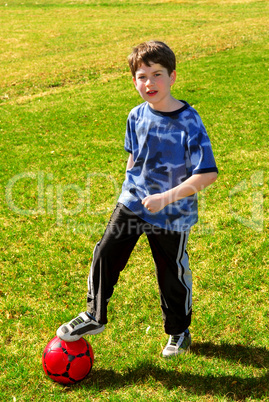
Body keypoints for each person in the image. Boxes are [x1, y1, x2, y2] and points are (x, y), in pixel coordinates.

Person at [57, 40, 218, 358]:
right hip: (133, 202)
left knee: (170, 272)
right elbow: (134, 159)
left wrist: (165, 198)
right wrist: (127, 191)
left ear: (172, 77)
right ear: (134, 81)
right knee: (105, 253)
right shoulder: (135, 116)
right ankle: (94, 315)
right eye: (142, 76)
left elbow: (207, 174)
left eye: (157, 75)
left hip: (172, 210)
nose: (150, 83)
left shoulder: (189, 120)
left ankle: (178, 332)